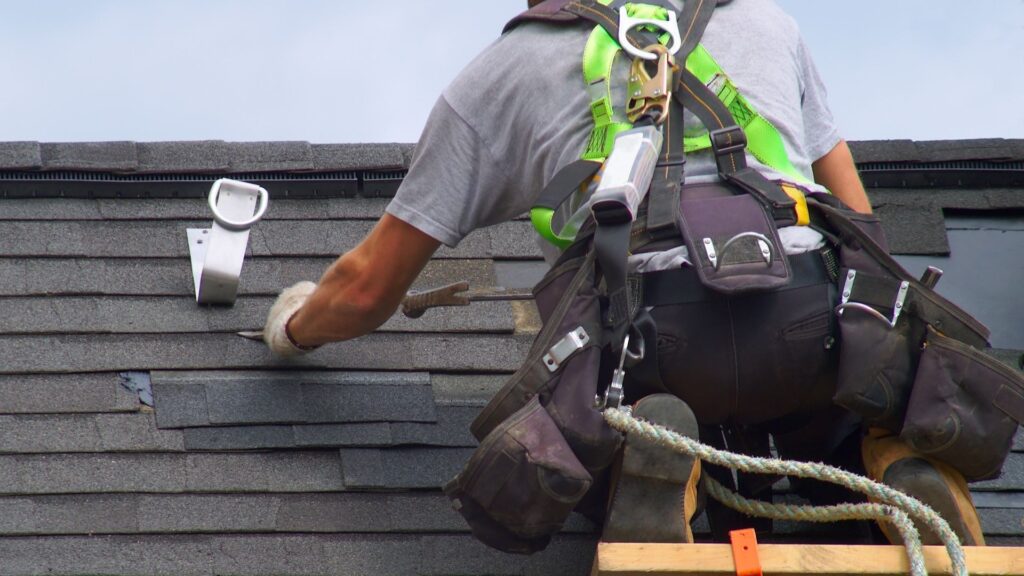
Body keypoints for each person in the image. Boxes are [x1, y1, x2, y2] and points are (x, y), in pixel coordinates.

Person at [262, 0, 983, 547]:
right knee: (851, 379)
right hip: (813, 333)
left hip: (653, 349)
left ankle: (652, 464)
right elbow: (866, 237)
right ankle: (886, 459)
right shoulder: (766, 22)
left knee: (588, 405)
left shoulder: (504, 74)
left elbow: (366, 288)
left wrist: (293, 327)